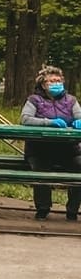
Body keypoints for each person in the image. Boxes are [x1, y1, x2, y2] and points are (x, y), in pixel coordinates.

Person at [20, 65, 81, 220]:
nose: (56, 83)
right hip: (39, 149)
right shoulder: (34, 100)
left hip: (68, 149)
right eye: (52, 81)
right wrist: (49, 122)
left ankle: (73, 209)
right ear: (43, 85)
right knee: (40, 171)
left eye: (58, 80)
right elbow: (25, 119)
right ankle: (43, 208)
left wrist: (78, 123)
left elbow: (79, 117)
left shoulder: (71, 101)